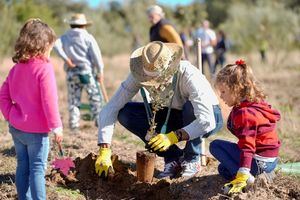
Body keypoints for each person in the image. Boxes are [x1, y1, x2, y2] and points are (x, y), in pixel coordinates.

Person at [95, 41, 223, 179]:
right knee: (126, 113)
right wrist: (104, 149)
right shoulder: (139, 73)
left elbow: (206, 120)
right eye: (148, 79)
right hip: (172, 114)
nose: (152, 84)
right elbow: (111, 108)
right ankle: (173, 157)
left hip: (208, 117)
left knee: (190, 108)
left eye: (156, 79)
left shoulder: (189, 75)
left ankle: (192, 158)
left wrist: (172, 137)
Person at [0, 19, 63, 200]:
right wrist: (56, 126)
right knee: (37, 169)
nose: (51, 50)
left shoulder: (17, 67)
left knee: (22, 165)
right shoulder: (44, 68)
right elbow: (49, 100)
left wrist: (10, 115)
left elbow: (2, 95)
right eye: (50, 46)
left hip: (17, 128)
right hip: (36, 132)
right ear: (42, 45)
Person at [210, 59, 281, 194]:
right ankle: (264, 176)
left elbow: (247, 146)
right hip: (270, 161)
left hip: (259, 160)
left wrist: (243, 173)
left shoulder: (245, 113)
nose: (221, 96)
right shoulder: (253, 103)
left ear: (236, 89)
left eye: (223, 92)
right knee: (222, 169)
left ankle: (248, 180)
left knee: (215, 145)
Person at [54, 13, 106, 131]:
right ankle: (99, 122)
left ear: (71, 24)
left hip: (71, 73)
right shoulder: (87, 37)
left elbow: (56, 46)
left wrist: (66, 60)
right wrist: (100, 70)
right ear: (84, 25)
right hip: (86, 72)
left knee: (74, 100)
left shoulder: (65, 36)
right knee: (95, 97)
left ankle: (74, 125)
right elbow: (96, 56)